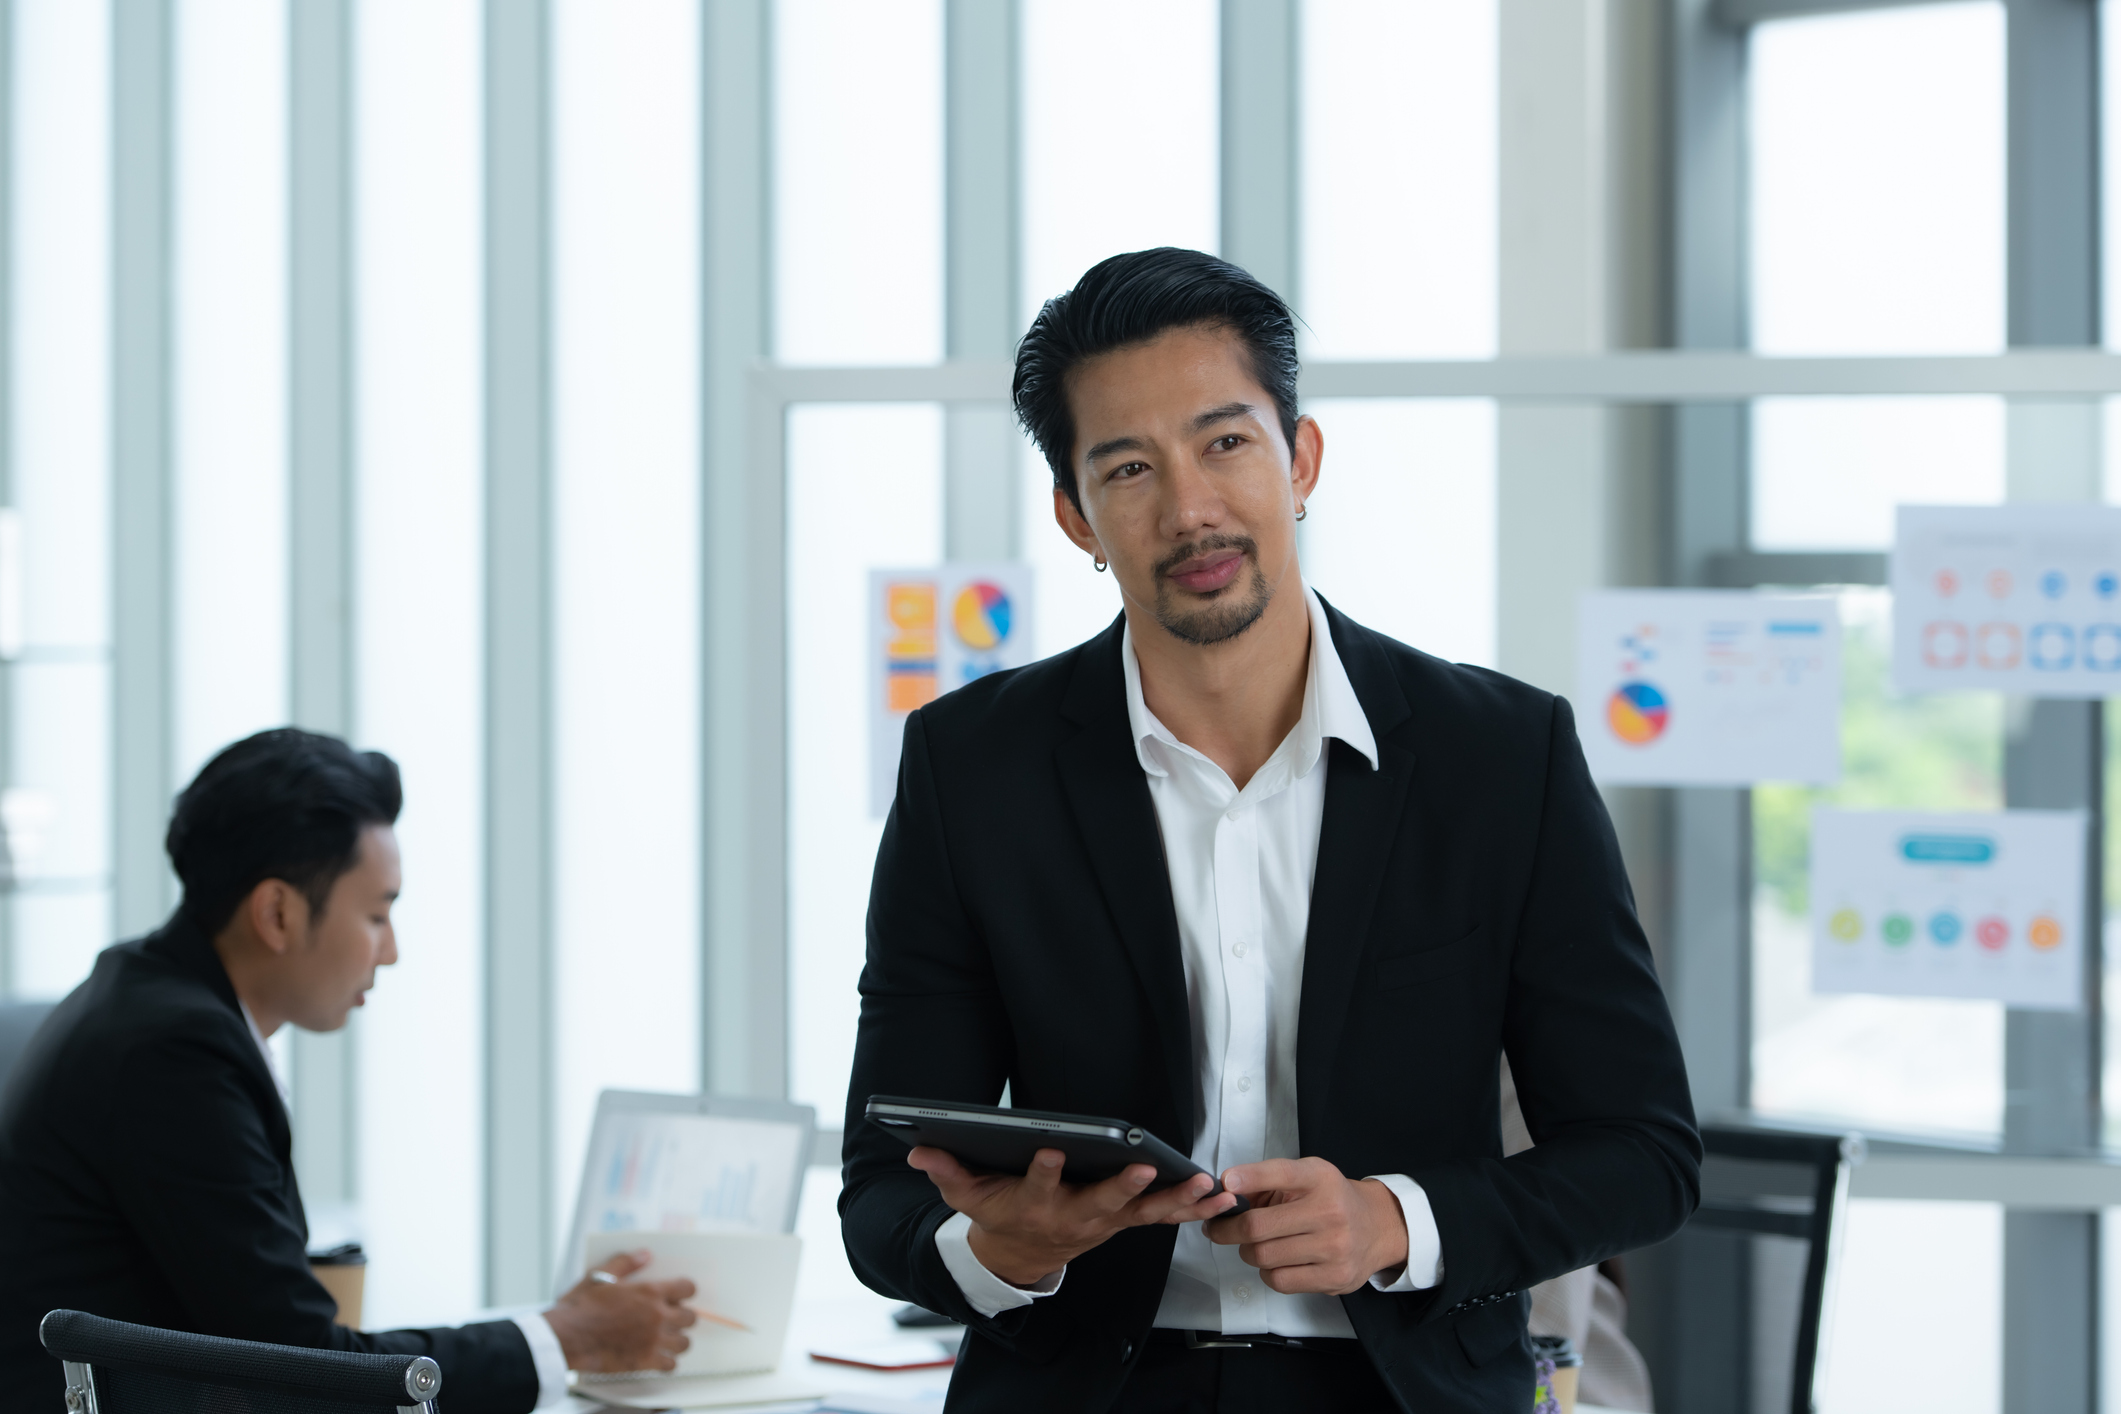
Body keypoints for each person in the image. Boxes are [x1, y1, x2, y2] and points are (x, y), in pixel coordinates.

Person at [840, 247, 1700, 1412]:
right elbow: (881, 1193)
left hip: (1398, 1390)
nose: (1190, 508)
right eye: (1129, 467)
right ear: (1076, 515)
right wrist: (1002, 1250)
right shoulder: (973, 767)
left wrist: (1395, 1220)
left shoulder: (1500, 756)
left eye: (1225, 443)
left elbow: (1644, 1155)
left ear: (1300, 459)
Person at [0, 729, 696, 1414]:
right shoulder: (175, 1053)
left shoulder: (141, 996)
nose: (390, 952)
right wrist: (565, 1339)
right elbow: (307, 1374)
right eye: (375, 915)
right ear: (277, 912)